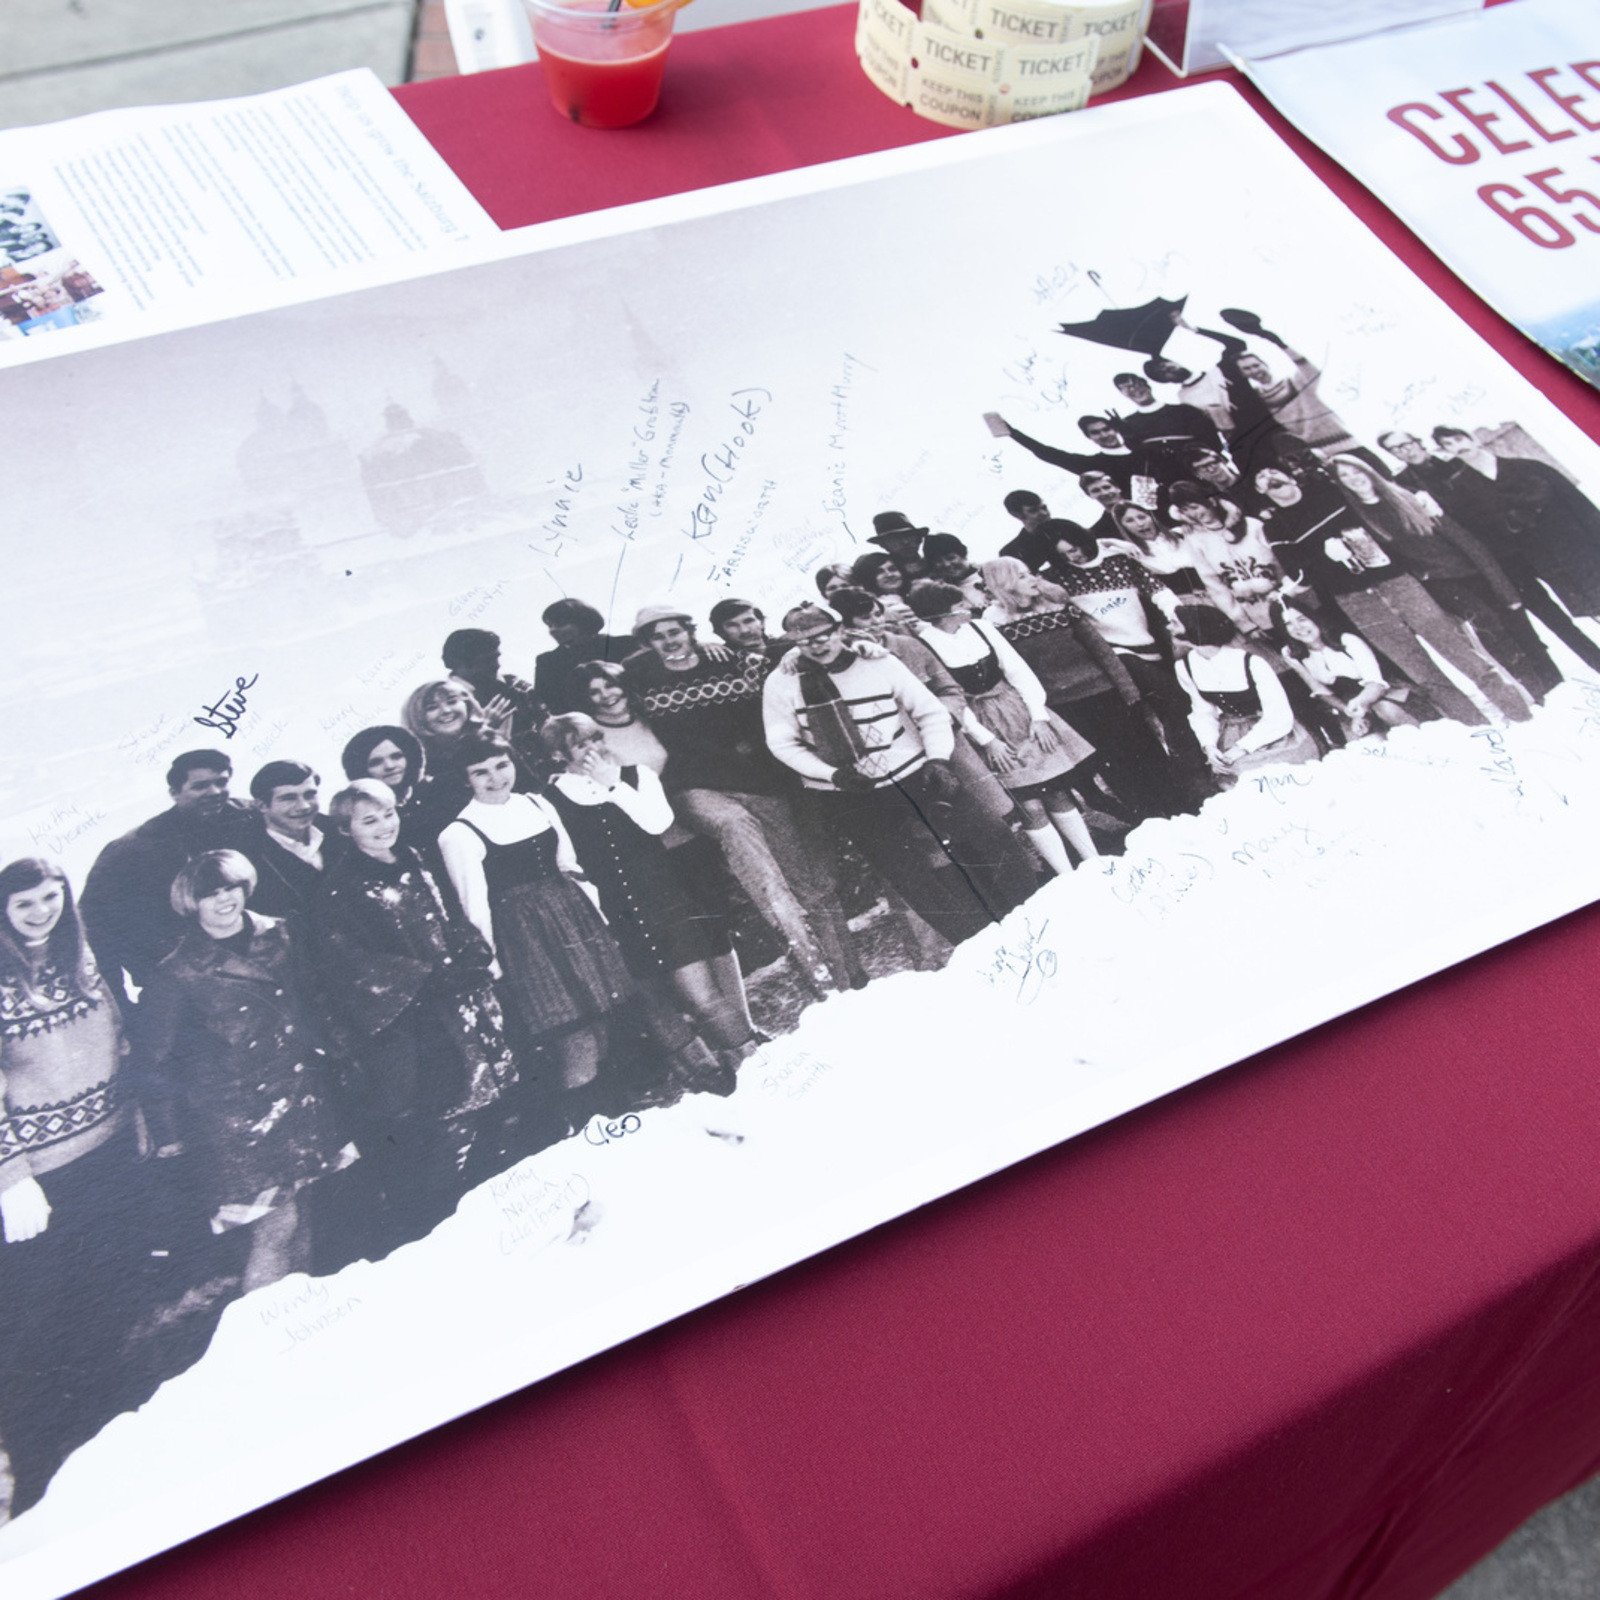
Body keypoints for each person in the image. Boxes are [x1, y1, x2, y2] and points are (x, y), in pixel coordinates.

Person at [0, 859, 159, 1517]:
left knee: (111, 1283)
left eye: (50, 898)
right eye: (24, 904)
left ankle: (107, 1426)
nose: (42, 912)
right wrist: (12, 1177)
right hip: (42, 1177)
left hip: (110, 1150)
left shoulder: (81, 957)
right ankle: (35, 1458)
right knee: (40, 1312)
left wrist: (141, 1115)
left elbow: (116, 1041)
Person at [134, 851, 354, 1294]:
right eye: (210, 894)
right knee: (276, 1226)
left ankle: (299, 1311)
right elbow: (153, 1060)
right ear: (190, 903)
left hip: (300, 1096)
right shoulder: (177, 971)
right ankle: (264, 1330)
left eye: (230, 888)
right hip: (238, 1121)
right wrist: (169, 1133)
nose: (224, 900)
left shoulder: (280, 933)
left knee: (303, 1213)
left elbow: (312, 1001)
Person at [316, 781, 517, 1252]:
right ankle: (438, 1230)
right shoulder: (342, 889)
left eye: (388, 813)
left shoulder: (416, 860)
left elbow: (451, 918)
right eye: (369, 820)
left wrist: (471, 953)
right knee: (447, 1118)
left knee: (493, 1102)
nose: (385, 825)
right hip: (416, 1021)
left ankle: (497, 1213)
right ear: (346, 830)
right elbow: (350, 962)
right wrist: (422, 981)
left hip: (463, 1004)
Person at [762, 604, 1037, 946]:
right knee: (906, 872)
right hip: (845, 788)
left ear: (839, 630)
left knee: (988, 834)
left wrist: (937, 759)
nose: (818, 645)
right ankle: (975, 944)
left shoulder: (877, 662)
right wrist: (832, 774)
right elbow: (781, 743)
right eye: (805, 641)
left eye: (824, 635)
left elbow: (929, 711)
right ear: (793, 644)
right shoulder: (782, 682)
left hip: (911, 768)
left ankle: (1034, 915)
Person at [627, 605, 863, 995]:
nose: (669, 640)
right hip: (697, 788)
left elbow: (784, 661)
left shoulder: (731, 661)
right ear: (648, 644)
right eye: (657, 636)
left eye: (675, 631)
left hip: (762, 781)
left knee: (806, 884)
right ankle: (819, 981)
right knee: (761, 873)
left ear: (689, 630)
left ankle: (849, 977)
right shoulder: (640, 678)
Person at [541, 716, 761, 1084]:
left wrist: (613, 787)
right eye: (581, 744)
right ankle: (707, 1076)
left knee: (702, 996)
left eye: (596, 737)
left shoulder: (636, 775)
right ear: (559, 755)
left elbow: (658, 823)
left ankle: (758, 1068)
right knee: (653, 1001)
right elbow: (566, 861)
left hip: (663, 898)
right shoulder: (549, 800)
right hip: (613, 912)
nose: (594, 747)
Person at [438, 736, 635, 1129]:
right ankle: (587, 1132)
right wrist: (492, 969)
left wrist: (594, 915)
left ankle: (617, 1121)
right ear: (466, 780)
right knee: (572, 1038)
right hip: (526, 940)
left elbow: (569, 864)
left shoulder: (537, 803)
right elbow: (474, 907)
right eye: (481, 772)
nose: (495, 778)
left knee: (600, 1027)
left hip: (574, 921)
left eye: (501, 765)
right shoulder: (458, 833)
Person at [1254, 464, 1529, 726]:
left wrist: (1417, 495)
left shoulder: (1329, 493)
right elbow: (1299, 575)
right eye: (1263, 480)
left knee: (1459, 650)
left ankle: (1520, 715)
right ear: (1262, 493)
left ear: (1291, 476)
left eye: (1274, 473)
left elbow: (1378, 499)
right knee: (1419, 670)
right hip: (1355, 600)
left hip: (1396, 581)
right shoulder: (1275, 526)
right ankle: (1477, 727)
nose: (1269, 478)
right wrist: (1323, 557)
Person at [1330, 453, 1559, 704]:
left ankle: (1558, 686)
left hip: (1471, 571)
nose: (1353, 479)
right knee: (1489, 627)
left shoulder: (1408, 498)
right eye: (1345, 476)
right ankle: (1538, 694)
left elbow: (1467, 543)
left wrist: (1503, 587)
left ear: (1368, 471)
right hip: (1438, 582)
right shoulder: (1358, 517)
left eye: (1356, 471)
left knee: (1519, 628)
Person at [907, 581, 1100, 873]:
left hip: (1016, 712)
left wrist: (1039, 716)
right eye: (959, 606)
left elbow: (1018, 671)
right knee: (1029, 804)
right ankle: (1066, 873)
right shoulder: (926, 645)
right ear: (943, 614)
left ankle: (1094, 862)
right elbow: (949, 699)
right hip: (978, 724)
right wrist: (987, 741)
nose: (968, 608)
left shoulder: (983, 629)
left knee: (1057, 791)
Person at [980, 556, 1188, 821]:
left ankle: (1182, 808)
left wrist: (1128, 691)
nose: (1033, 579)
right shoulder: (994, 621)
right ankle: (1149, 818)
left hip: (1104, 691)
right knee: (1110, 764)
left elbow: (1100, 648)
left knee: (1145, 750)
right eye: (1022, 576)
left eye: (1030, 572)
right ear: (1004, 584)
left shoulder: (1057, 604)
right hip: (1062, 705)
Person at [1043, 517, 1213, 798]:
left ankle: (1189, 771)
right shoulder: (1054, 579)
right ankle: (1192, 779)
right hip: (1115, 653)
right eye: (1063, 554)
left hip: (1148, 643)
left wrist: (1181, 618)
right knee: (1173, 700)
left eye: (1074, 548)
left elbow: (1159, 591)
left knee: (1174, 709)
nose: (1073, 556)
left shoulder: (1118, 560)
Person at [79, 750, 257, 1002]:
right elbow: (96, 925)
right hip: (186, 984)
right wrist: (120, 1002)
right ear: (174, 792)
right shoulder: (134, 849)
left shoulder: (252, 817)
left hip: (261, 962)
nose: (215, 792)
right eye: (200, 786)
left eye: (221, 782)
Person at [1430, 425, 1600, 676]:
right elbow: (1485, 532)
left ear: (1472, 438)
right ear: (1444, 453)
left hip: (1578, 548)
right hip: (1542, 561)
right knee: (1593, 609)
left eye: (1459, 438)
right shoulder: (1462, 490)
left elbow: (1580, 506)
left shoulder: (1529, 467)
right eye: (1449, 445)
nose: (1458, 446)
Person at [1171, 604, 1319, 778]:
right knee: (1229, 772)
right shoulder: (1185, 666)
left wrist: (1241, 748)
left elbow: (1278, 714)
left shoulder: (1251, 662)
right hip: (1230, 733)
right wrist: (1209, 747)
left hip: (1273, 734)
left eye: (1174, 623)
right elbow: (1203, 712)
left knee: (1261, 774)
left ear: (1194, 629)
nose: (1168, 628)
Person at [1274, 599, 1422, 740]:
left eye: (1302, 619)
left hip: (1388, 695)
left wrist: (1360, 705)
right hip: (1350, 707)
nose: (1298, 628)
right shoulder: (1294, 655)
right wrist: (1350, 713)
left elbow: (1376, 684)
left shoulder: (1346, 640)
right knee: (1356, 738)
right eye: (1289, 624)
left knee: (1385, 709)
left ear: (1314, 619)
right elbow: (1322, 692)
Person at [243, 760, 346, 921]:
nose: (304, 806)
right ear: (262, 805)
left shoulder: (341, 831)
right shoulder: (248, 857)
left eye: (310, 795)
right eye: (289, 798)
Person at [339, 724, 457, 859]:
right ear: (362, 770)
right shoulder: (366, 816)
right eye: (376, 762)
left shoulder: (439, 793)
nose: (390, 766)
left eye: (396, 756)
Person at [442, 627, 547, 766]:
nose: (497, 665)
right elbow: (452, 760)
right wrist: (484, 731)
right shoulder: (443, 707)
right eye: (487, 660)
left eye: (496, 657)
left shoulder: (515, 685)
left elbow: (550, 724)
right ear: (460, 664)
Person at [532, 598, 637, 715]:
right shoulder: (547, 662)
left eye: (560, 623)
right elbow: (550, 705)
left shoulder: (624, 644)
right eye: (550, 625)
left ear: (583, 621)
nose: (553, 630)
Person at [849, 551, 916, 623]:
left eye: (892, 569)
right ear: (868, 578)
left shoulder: (910, 597)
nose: (889, 575)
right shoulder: (885, 606)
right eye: (879, 572)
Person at [866, 511, 930, 585]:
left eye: (909, 535)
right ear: (883, 544)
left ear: (919, 538)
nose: (905, 542)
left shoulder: (937, 564)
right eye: (895, 538)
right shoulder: (885, 577)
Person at [708, 598, 782, 660]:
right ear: (720, 632)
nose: (744, 630)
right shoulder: (719, 662)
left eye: (748, 621)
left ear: (762, 622)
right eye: (732, 625)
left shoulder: (785, 646)